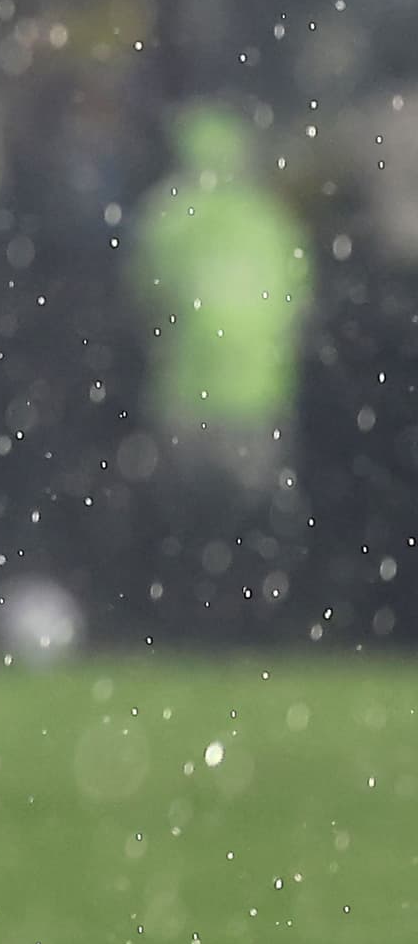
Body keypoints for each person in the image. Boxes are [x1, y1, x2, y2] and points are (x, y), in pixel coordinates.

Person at [126, 101, 313, 636]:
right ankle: (259, 624)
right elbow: (299, 304)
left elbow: (145, 302)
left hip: (185, 393)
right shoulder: (271, 219)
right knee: (255, 526)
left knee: (187, 525)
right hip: (261, 395)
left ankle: (184, 624)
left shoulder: (166, 216)